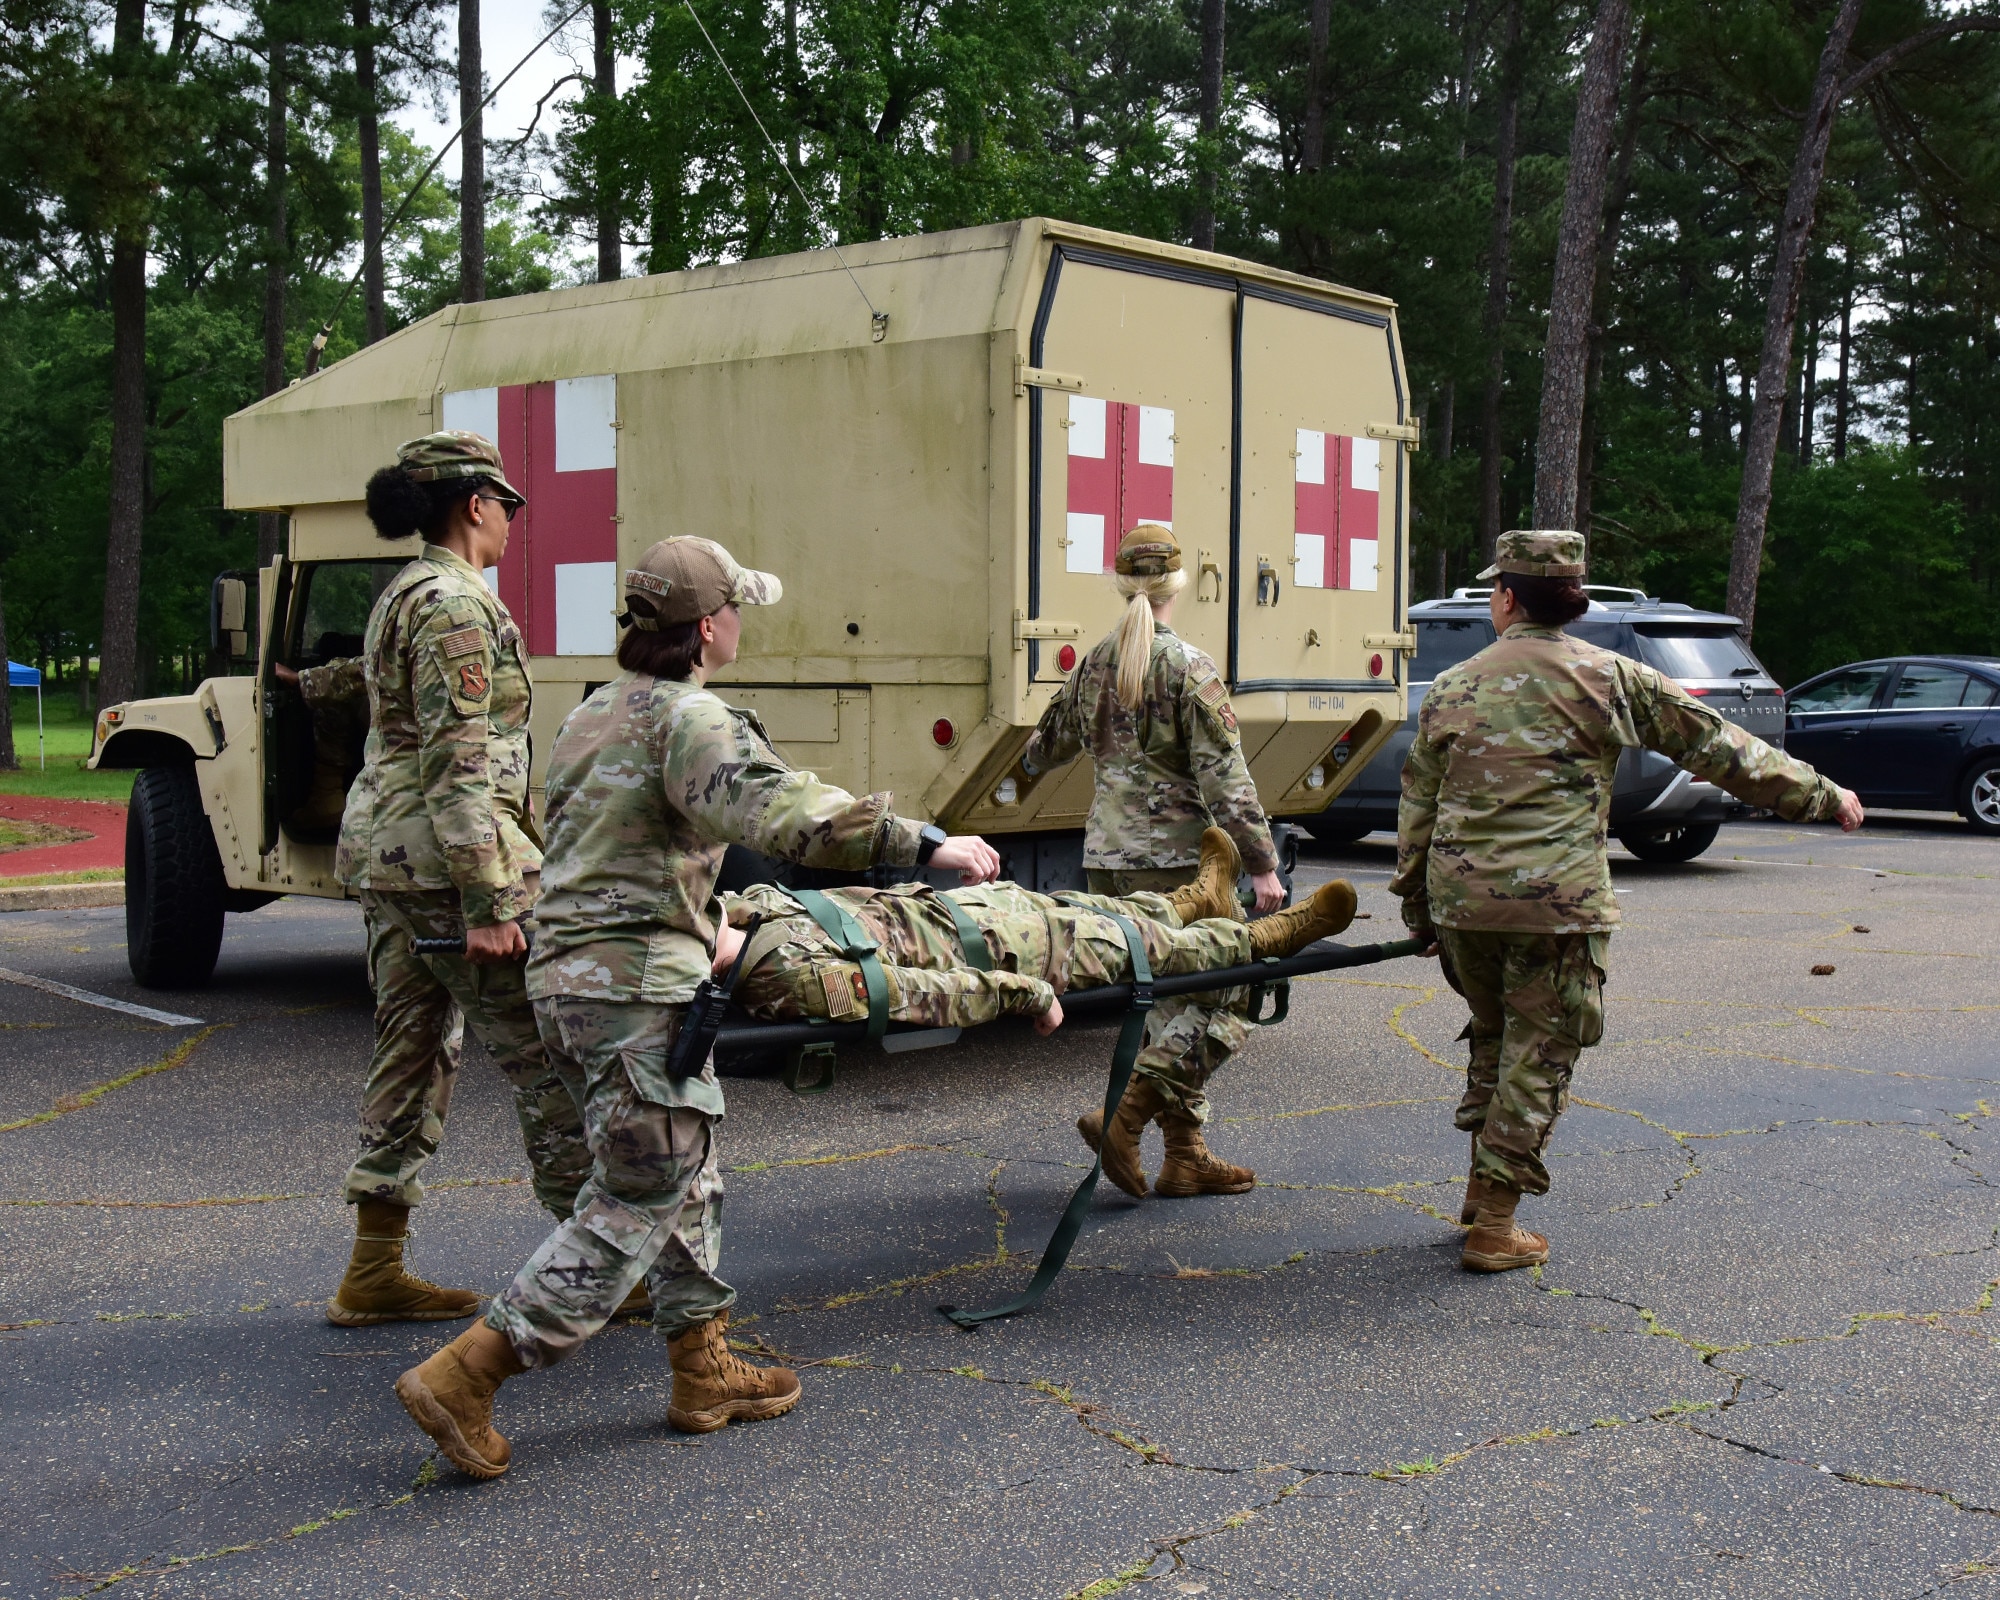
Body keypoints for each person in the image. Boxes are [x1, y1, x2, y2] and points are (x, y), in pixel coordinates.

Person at [391, 536, 1003, 1480]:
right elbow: (787, 812)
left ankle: (701, 1366)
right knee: (638, 1192)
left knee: (686, 1167)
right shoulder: (691, 718)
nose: (744, 623)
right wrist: (927, 843)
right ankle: (470, 1373)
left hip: (580, 978)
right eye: (739, 609)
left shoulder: (595, 713)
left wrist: (705, 918)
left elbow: (619, 847)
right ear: (709, 625)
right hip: (630, 987)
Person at [1390, 530, 1866, 1274]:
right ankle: (1496, 1225)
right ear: (1570, 601)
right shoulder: (1610, 677)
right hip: (1556, 906)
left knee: (1495, 1040)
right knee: (1540, 1053)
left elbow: (1418, 803)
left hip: (1463, 903)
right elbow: (1722, 749)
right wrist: (1823, 797)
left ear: (1508, 598)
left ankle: (1483, 1196)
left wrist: (1419, 908)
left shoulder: (1454, 685)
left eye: (1493, 590)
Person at [324, 432, 594, 1327]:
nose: (515, 520)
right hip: (444, 864)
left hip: (392, 858)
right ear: (476, 504)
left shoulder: (405, 593)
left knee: (412, 1048)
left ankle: (373, 1269)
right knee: (547, 1055)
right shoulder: (452, 606)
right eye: (509, 505)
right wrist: (490, 900)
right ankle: (597, 1269)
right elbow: (459, 762)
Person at [1023, 523, 1284, 1199]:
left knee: (1165, 1007)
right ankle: (1125, 1117)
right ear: (1178, 585)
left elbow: (1040, 753)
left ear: (1121, 584)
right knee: (1228, 999)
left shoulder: (1091, 666)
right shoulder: (1186, 666)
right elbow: (1225, 773)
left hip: (1107, 861)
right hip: (1182, 870)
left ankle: (1186, 1154)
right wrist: (1261, 864)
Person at [718, 827, 1358, 1034]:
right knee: (1142, 950)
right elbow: (924, 995)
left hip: (974, 915)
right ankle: (1270, 935)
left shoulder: (743, 908)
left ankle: (1196, 897)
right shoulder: (790, 978)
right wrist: (1024, 994)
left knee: (1095, 912)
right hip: (1000, 952)